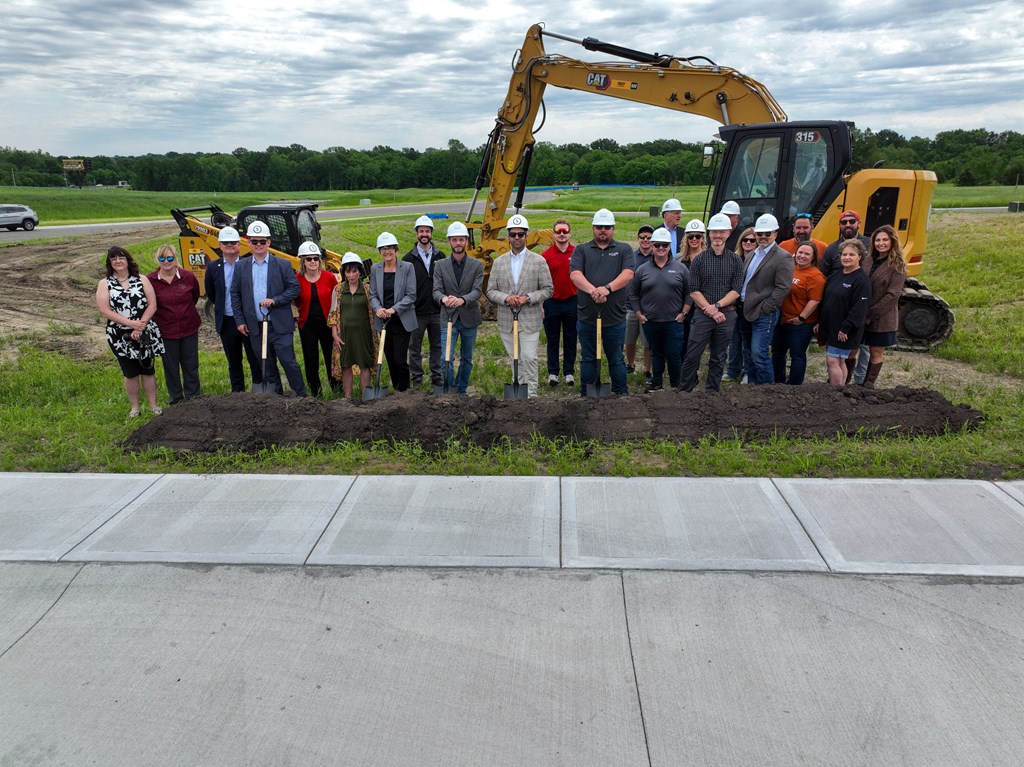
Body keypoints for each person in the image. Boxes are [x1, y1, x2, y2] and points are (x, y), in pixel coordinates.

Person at [229, 220, 306, 396]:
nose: (258, 245)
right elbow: (235, 294)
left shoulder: (283, 264)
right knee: (267, 364)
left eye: (262, 241)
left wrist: (276, 300)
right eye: (254, 241)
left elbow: (294, 288)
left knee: (288, 362)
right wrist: (240, 321)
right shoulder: (241, 266)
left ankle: (302, 397)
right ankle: (276, 399)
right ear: (248, 242)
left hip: (279, 325)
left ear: (268, 242)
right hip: (255, 326)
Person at [485, 214, 553, 397]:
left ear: (526, 235)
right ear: (508, 236)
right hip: (507, 319)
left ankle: (531, 394)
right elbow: (491, 291)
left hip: (530, 318)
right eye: (513, 234)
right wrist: (506, 298)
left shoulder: (538, 261)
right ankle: (519, 392)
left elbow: (548, 289)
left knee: (529, 357)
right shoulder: (499, 263)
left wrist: (528, 298)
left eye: (520, 234)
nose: (517, 238)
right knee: (515, 358)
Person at [570, 208, 636, 395]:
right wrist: (594, 291)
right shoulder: (581, 250)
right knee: (588, 358)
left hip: (614, 318)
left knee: (616, 358)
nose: (603, 230)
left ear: (613, 229)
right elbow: (575, 274)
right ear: (593, 228)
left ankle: (621, 393)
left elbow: (628, 274)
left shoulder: (624, 250)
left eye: (607, 227)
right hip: (587, 317)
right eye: (599, 227)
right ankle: (587, 394)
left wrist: (607, 289)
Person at [678, 214, 745, 392]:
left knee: (718, 356)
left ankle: (711, 393)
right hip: (703, 315)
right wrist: (711, 310)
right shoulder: (699, 260)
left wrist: (716, 307)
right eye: (714, 231)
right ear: (709, 233)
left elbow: (736, 290)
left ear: (728, 233)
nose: (718, 235)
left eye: (721, 232)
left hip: (726, 314)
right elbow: (693, 290)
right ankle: (684, 391)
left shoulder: (736, 260)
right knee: (692, 355)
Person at [95, 246, 164, 416]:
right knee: (130, 372)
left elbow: (152, 304)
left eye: (121, 257)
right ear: (110, 263)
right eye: (114, 259)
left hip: (144, 331)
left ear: (128, 260)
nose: (118, 261)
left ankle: (153, 405)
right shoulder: (105, 283)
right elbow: (105, 310)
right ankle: (135, 407)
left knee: (147, 369)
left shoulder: (141, 279)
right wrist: (130, 324)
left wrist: (140, 325)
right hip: (119, 335)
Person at [629, 227, 688, 391]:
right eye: (657, 245)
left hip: (674, 322)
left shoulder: (680, 269)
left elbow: (689, 293)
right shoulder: (642, 270)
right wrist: (639, 314)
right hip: (651, 321)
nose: (661, 248)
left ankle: (677, 385)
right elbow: (633, 294)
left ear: (669, 246)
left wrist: (684, 313)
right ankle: (657, 383)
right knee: (656, 353)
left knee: (674, 354)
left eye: (664, 245)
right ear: (652, 246)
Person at [738, 213, 794, 385]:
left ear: (775, 234)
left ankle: (768, 391)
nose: (762, 237)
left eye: (767, 234)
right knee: (748, 352)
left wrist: (766, 307)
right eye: (759, 234)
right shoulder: (753, 254)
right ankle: (753, 387)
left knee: (759, 353)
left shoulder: (782, 256)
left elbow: (783, 287)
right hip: (745, 310)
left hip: (763, 313)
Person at [205, 225, 263, 392]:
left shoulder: (249, 264)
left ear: (239, 244)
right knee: (234, 361)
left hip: (248, 320)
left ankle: (259, 392)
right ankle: (238, 395)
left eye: (233, 242)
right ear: (219, 245)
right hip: (228, 322)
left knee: (254, 358)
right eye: (226, 242)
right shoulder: (213, 268)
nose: (229, 245)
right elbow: (212, 293)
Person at [432, 222, 485, 394]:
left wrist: (463, 300)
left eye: (461, 240)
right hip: (448, 317)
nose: (458, 243)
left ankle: (461, 390)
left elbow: (477, 290)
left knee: (467, 358)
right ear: (449, 242)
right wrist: (444, 298)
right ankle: (450, 387)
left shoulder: (477, 265)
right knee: (445, 357)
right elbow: (436, 290)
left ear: (466, 241)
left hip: (469, 317)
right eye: (454, 240)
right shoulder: (440, 265)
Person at [148, 243, 201, 405]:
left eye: (169, 258)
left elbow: (195, 297)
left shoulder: (187, 276)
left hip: (189, 327)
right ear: (158, 260)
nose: (166, 261)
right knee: (171, 367)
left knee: (191, 365)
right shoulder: (150, 280)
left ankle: (194, 398)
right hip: (166, 331)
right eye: (162, 258)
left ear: (175, 258)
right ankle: (176, 399)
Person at [817, 239, 872, 386]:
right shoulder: (836, 276)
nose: (847, 257)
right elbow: (827, 301)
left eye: (852, 254)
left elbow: (860, 308)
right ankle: (841, 391)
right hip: (831, 327)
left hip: (844, 330)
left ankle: (834, 393)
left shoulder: (862, 280)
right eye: (844, 254)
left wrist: (846, 327)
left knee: (832, 360)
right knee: (840, 360)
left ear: (860, 257)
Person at [771, 242, 825, 385]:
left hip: (800, 324)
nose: (802, 256)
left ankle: (794, 386)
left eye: (807, 254)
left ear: (813, 257)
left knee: (797, 356)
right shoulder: (789, 268)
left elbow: (814, 300)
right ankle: (778, 382)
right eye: (800, 252)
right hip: (782, 320)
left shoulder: (816, 276)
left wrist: (801, 318)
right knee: (777, 352)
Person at [369, 231, 417, 392]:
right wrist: (379, 309)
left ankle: (404, 390)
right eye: (383, 248)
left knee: (399, 359)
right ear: (379, 251)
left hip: (402, 320)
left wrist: (393, 309)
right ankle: (397, 390)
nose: (387, 251)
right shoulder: (375, 269)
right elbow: (373, 295)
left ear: (396, 250)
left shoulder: (407, 267)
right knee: (389, 358)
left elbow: (411, 295)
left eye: (390, 248)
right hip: (384, 321)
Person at [860, 225, 908, 388]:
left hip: (882, 316)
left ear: (892, 241)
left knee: (875, 351)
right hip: (862, 313)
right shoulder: (868, 260)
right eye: (878, 240)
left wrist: (871, 314)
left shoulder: (898, 265)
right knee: (853, 349)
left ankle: (868, 385)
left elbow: (892, 295)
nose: (881, 243)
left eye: (885, 240)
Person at [402, 215, 445, 389]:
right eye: (421, 231)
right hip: (416, 312)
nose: (424, 234)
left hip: (437, 311)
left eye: (427, 231)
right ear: (417, 233)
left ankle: (437, 377)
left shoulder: (440, 256)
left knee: (437, 346)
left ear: (431, 233)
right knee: (414, 348)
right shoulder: (408, 259)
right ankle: (417, 379)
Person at [294, 241, 339, 397]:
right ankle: (315, 392)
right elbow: (296, 300)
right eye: (308, 259)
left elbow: (336, 300)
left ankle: (336, 388)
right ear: (303, 261)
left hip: (327, 325)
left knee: (331, 358)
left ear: (319, 260)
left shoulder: (329, 277)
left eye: (315, 258)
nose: (312, 262)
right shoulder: (297, 279)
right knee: (311, 359)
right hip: (307, 326)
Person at [329, 252, 376, 399]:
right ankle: (348, 396)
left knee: (364, 364)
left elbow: (374, 311)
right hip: (344, 335)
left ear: (360, 271)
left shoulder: (367, 289)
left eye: (354, 271)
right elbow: (333, 313)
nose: (351, 275)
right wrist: (335, 334)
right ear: (344, 273)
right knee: (346, 365)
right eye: (348, 272)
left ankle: (365, 395)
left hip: (363, 334)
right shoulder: (338, 290)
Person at [540, 217, 577, 386]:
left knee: (570, 339)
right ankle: (553, 372)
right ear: (553, 234)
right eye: (558, 232)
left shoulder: (577, 254)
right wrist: (541, 304)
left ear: (570, 233)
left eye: (565, 231)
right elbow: (540, 282)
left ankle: (569, 372)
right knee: (552, 339)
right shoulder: (545, 256)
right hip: (552, 303)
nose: (562, 235)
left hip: (572, 302)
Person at [723, 226, 757, 383]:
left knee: (747, 341)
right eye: (745, 239)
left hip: (749, 307)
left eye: (752, 240)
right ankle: (732, 370)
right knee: (734, 340)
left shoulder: (759, 260)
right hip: (732, 307)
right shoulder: (734, 258)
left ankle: (748, 371)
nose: (748, 243)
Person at [625, 224, 654, 383]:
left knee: (647, 342)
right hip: (630, 306)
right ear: (638, 239)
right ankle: (630, 364)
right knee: (629, 339)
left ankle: (647, 369)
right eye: (642, 237)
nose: (645, 240)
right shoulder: (631, 257)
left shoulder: (657, 257)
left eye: (649, 238)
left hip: (648, 308)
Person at [820, 210, 871, 278]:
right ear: (839, 225)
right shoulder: (831, 249)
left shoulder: (870, 244)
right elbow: (823, 275)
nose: (848, 225)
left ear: (859, 223)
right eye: (844, 222)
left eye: (852, 221)